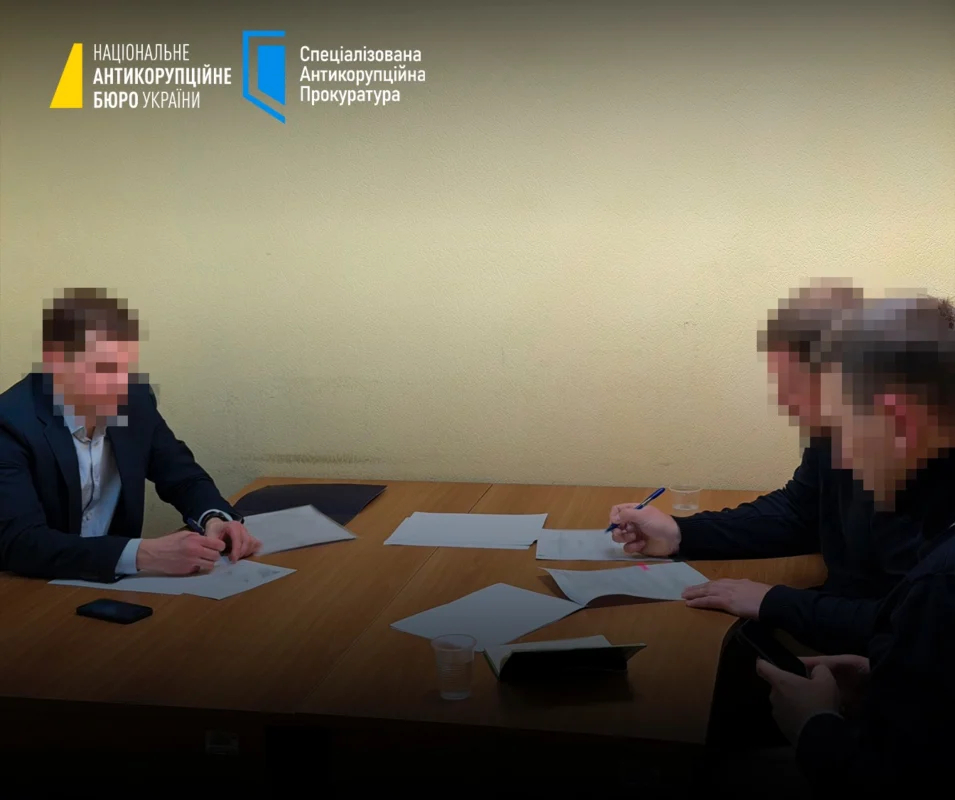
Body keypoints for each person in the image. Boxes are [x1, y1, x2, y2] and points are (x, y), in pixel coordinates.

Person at [608, 283, 955, 657]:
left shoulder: (935, 513)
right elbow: (798, 512)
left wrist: (776, 601)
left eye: (794, 385)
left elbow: (907, 625)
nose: (786, 403)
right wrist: (681, 533)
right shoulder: (848, 432)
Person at [756, 293, 955, 792]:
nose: (840, 458)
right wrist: (883, 673)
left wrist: (814, 727)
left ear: (899, 422)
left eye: (843, 428)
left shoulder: (941, 583)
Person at [0, 288, 261, 581]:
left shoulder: (134, 400)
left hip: (115, 585)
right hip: (29, 588)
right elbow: (21, 542)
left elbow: (184, 478)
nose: (119, 382)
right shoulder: (10, 422)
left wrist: (215, 518)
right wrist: (142, 554)